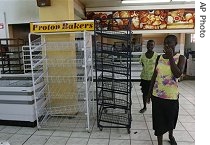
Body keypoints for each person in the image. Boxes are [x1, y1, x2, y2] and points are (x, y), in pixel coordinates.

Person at [147, 35, 186, 145]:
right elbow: (154, 75)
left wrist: (170, 58)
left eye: (169, 43)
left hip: (171, 96)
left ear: (176, 43)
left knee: (170, 119)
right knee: (158, 121)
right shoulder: (159, 57)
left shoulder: (181, 57)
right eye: (165, 43)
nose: (167, 45)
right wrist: (149, 93)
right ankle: (160, 143)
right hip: (157, 96)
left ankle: (171, 135)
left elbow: (178, 74)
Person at [139, 40, 158, 113]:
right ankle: (144, 107)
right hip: (144, 78)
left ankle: (155, 109)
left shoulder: (157, 56)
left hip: (153, 79)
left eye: (152, 45)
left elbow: (157, 67)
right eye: (148, 45)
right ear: (146, 45)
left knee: (153, 94)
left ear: (154, 46)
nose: (150, 46)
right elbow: (143, 65)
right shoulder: (143, 56)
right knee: (144, 93)